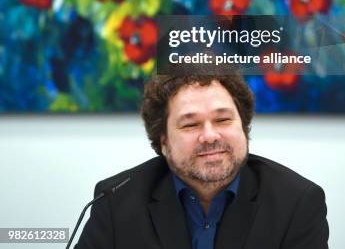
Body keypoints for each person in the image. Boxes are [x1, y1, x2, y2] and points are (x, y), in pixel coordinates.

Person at [76, 73, 329, 248]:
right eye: (190, 124)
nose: (209, 136)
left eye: (223, 120)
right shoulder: (115, 202)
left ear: (244, 126)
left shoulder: (297, 202)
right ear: (163, 141)